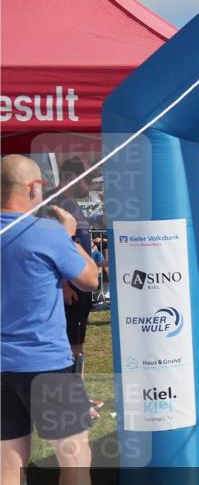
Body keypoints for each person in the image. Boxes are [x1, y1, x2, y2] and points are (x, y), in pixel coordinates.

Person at [1, 155, 100, 485]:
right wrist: (72, 235)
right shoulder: (44, 233)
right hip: (46, 363)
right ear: (36, 188)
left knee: (7, 469)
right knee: (75, 462)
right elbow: (92, 280)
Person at [53, 158, 94, 371]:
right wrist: (64, 283)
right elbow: (50, 246)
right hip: (71, 288)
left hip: (80, 284)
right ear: (69, 177)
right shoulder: (56, 204)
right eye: (87, 179)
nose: (91, 185)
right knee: (71, 347)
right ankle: (75, 398)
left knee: (77, 345)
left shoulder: (71, 204)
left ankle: (78, 395)